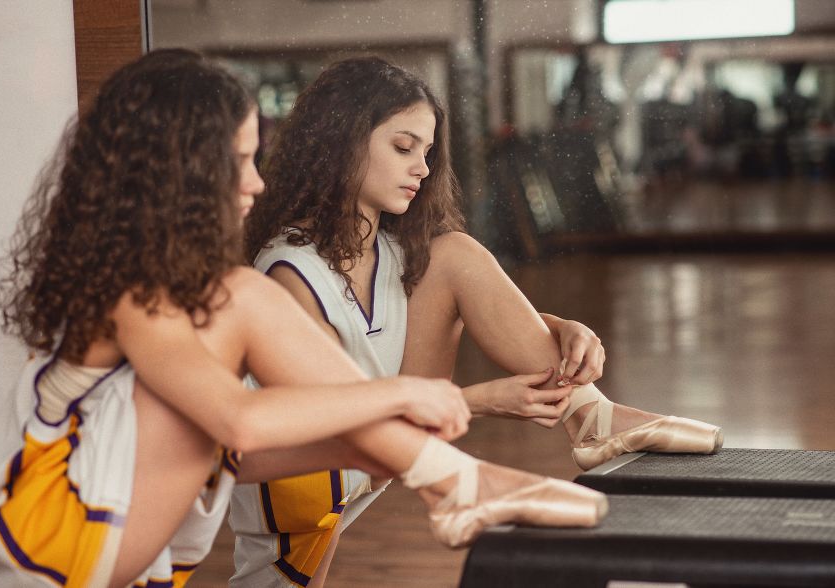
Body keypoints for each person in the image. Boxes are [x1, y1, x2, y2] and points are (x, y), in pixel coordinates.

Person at [0, 49, 607, 587]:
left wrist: (391, 449)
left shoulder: (152, 287)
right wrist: (403, 394)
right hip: (55, 529)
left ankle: (457, 480)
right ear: (181, 170)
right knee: (242, 297)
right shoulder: (133, 291)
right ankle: (463, 482)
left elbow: (232, 456)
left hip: (89, 535)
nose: (253, 184)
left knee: (364, 435)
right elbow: (238, 423)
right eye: (239, 162)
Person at [238, 56, 723, 586]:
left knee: (456, 254)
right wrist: (483, 401)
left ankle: (592, 417)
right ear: (341, 142)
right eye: (403, 148)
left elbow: (425, 315)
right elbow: (344, 429)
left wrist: (555, 327)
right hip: (304, 478)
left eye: (426, 152)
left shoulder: (398, 253)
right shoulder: (288, 272)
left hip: (370, 460)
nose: (421, 169)